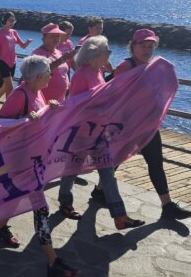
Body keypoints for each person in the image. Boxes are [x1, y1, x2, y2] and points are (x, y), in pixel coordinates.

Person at [0, 56, 79, 277]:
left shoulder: (37, 91)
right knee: (41, 209)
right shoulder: (19, 95)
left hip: (34, 159)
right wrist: (22, 120)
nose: (52, 75)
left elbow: (39, 117)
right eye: (49, 72)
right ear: (39, 77)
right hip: (21, 161)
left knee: (14, 198)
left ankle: (0, 227)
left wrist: (51, 109)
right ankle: (52, 262)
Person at [56, 36, 144, 229]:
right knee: (72, 169)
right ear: (96, 53)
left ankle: (119, 216)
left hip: (100, 132)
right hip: (82, 132)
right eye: (108, 52)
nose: (110, 55)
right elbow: (76, 105)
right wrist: (103, 107)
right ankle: (65, 201)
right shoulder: (82, 74)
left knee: (107, 173)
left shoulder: (98, 71)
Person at [110, 29, 191, 220]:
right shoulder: (125, 66)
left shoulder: (153, 66)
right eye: (143, 45)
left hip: (147, 124)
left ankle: (167, 205)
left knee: (155, 163)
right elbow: (114, 96)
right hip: (128, 124)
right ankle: (100, 189)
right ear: (133, 46)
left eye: (151, 46)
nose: (147, 50)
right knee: (116, 158)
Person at [0, 12, 31, 110]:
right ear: (5, 20)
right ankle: (9, 109)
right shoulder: (0, 33)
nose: (12, 22)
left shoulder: (14, 32)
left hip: (13, 62)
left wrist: (28, 42)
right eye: (10, 20)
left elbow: (23, 46)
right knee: (10, 87)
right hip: (3, 62)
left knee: (5, 86)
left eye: (13, 20)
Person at [32, 23, 74, 103]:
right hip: (45, 100)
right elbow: (44, 70)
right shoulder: (38, 53)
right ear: (44, 38)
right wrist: (64, 58)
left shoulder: (58, 52)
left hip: (59, 100)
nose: (56, 38)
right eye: (52, 36)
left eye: (58, 36)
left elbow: (63, 73)